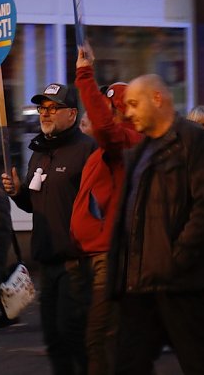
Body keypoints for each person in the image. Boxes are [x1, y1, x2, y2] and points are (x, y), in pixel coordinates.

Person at [108, 73, 204, 375]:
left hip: (178, 282)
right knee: (129, 363)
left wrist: (177, 257)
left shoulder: (195, 141)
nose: (128, 112)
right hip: (140, 283)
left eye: (134, 104)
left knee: (199, 362)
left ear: (157, 99)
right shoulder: (140, 151)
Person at [3, 82, 96, 375]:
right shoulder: (40, 151)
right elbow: (34, 203)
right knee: (54, 338)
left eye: (53, 108)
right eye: (43, 108)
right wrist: (18, 192)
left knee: (74, 335)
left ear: (72, 113)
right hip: (48, 262)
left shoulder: (87, 150)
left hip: (76, 262)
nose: (46, 114)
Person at [71, 45, 142, 375]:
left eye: (110, 107)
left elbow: (104, 127)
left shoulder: (124, 142)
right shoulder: (108, 149)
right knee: (109, 338)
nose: (104, 113)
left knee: (101, 337)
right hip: (95, 255)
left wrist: (85, 75)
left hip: (110, 257)